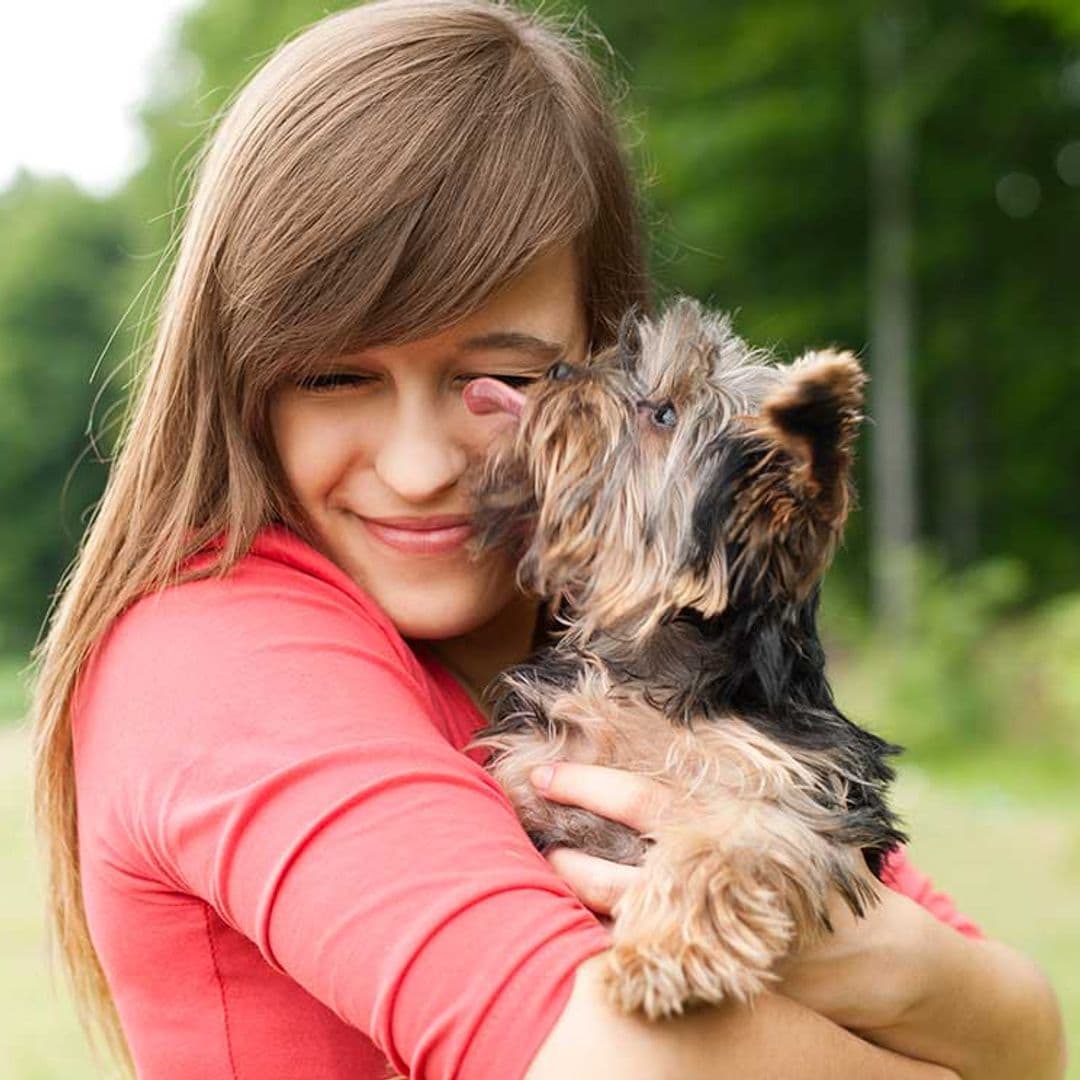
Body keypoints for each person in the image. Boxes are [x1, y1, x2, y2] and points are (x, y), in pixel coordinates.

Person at [29, 2, 1065, 1078]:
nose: (421, 465)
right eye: (336, 376)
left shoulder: (636, 660)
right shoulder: (213, 657)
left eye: (500, 380)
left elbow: (1027, 1025)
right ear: (242, 379)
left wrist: (889, 967)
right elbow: (630, 1064)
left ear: (600, 365)